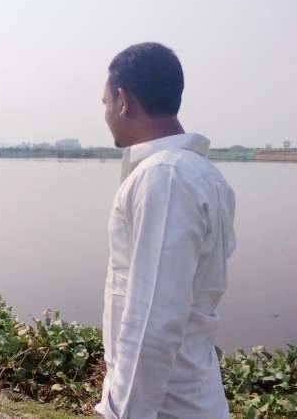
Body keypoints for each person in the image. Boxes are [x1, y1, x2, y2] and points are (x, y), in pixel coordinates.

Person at [95, 42, 236, 419]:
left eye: (105, 102)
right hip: (187, 397)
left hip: (165, 407)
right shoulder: (201, 174)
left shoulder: (165, 177)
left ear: (123, 100)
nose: (105, 114)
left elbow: (152, 321)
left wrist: (125, 413)